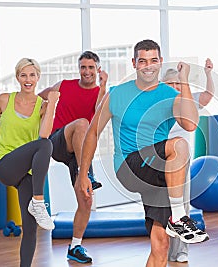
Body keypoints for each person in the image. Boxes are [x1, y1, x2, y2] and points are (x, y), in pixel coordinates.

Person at [78, 39, 209, 267]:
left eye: (153, 60)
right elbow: (92, 134)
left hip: (160, 176)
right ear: (134, 63)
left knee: (161, 245)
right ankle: (179, 215)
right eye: (142, 61)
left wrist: (184, 81)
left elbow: (190, 124)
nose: (148, 66)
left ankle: (175, 217)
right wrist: (83, 175)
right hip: (129, 167)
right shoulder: (116, 94)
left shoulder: (170, 94)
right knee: (179, 145)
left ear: (159, 62)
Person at [0, 58, 59, 267]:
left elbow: (44, 133)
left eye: (32, 75)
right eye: (23, 75)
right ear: (17, 77)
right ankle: (39, 202)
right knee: (45, 146)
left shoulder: (42, 106)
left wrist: (52, 105)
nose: (28, 80)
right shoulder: (5, 100)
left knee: (30, 228)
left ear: (38, 77)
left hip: (25, 173)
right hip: (4, 164)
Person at [38, 51, 108, 263]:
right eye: (83, 67)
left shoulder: (101, 92)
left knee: (86, 200)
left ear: (98, 69)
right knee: (81, 124)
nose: (86, 72)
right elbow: (37, 99)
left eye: (91, 68)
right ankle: (86, 173)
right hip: (58, 140)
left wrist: (103, 87)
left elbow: (98, 116)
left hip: (79, 151)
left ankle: (75, 246)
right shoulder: (64, 85)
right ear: (79, 69)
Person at [164, 58, 215, 263]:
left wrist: (208, 73)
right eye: (170, 84)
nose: (175, 87)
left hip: (181, 163)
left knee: (181, 208)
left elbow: (208, 95)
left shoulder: (188, 100)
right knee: (163, 208)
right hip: (160, 160)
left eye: (178, 83)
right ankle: (166, 250)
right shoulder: (160, 103)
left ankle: (181, 250)